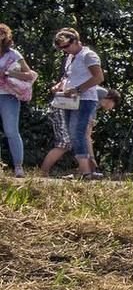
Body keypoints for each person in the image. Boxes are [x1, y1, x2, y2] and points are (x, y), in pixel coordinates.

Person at [39, 27, 103, 179]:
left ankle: (86, 172)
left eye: (67, 46)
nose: (65, 50)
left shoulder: (88, 55)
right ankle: (86, 170)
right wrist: (60, 86)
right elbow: (69, 76)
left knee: (78, 134)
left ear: (76, 41)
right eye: (62, 48)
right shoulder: (71, 57)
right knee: (72, 134)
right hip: (69, 100)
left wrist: (78, 89)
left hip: (85, 99)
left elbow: (99, 77)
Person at [0, 23, 35, 177]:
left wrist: (8, 73)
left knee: (11, 130)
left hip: (8, 95)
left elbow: (29, 75)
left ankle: (18, 167)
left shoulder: (14, 54)